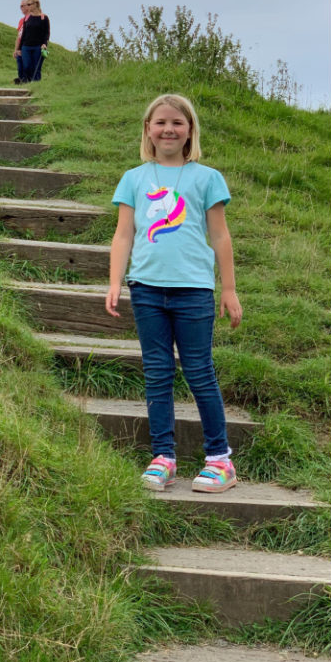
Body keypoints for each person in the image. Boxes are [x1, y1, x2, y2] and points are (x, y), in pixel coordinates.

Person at [105, 94, 242, 494]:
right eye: (160, 122)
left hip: (194, 291)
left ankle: (220, 460)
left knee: (199, 372)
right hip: (146, 289)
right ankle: (163, 456)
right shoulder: (134, 178)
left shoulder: (206, 177)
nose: (168, 129)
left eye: (177, 123)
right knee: (158, 372)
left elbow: (220, 236)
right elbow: (123, 234)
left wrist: (228, 289)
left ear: (190, 131)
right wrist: (115, 282)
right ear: (148, 128)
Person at [16, 0, 49, 81]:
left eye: (29, 4)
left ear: (36, 4)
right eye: (26, 5)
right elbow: (23, 34)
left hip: (38, 47)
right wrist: (19, 49)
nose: (27, 7)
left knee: (36, 68)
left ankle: (35, 86)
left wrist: (44, 44)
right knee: (27, 66)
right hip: (26, 47)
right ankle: (27, 82)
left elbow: (46, 33)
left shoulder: (44, 18)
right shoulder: (27, 18)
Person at [12, 0, 31, 83]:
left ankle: (27, 81)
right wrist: (16, 50)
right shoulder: (21, 21)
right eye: (20, 6)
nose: (21, 8)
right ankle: (22, 80)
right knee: (20, 66)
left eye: (23, 5)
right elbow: (18, 36)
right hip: (21, 48)